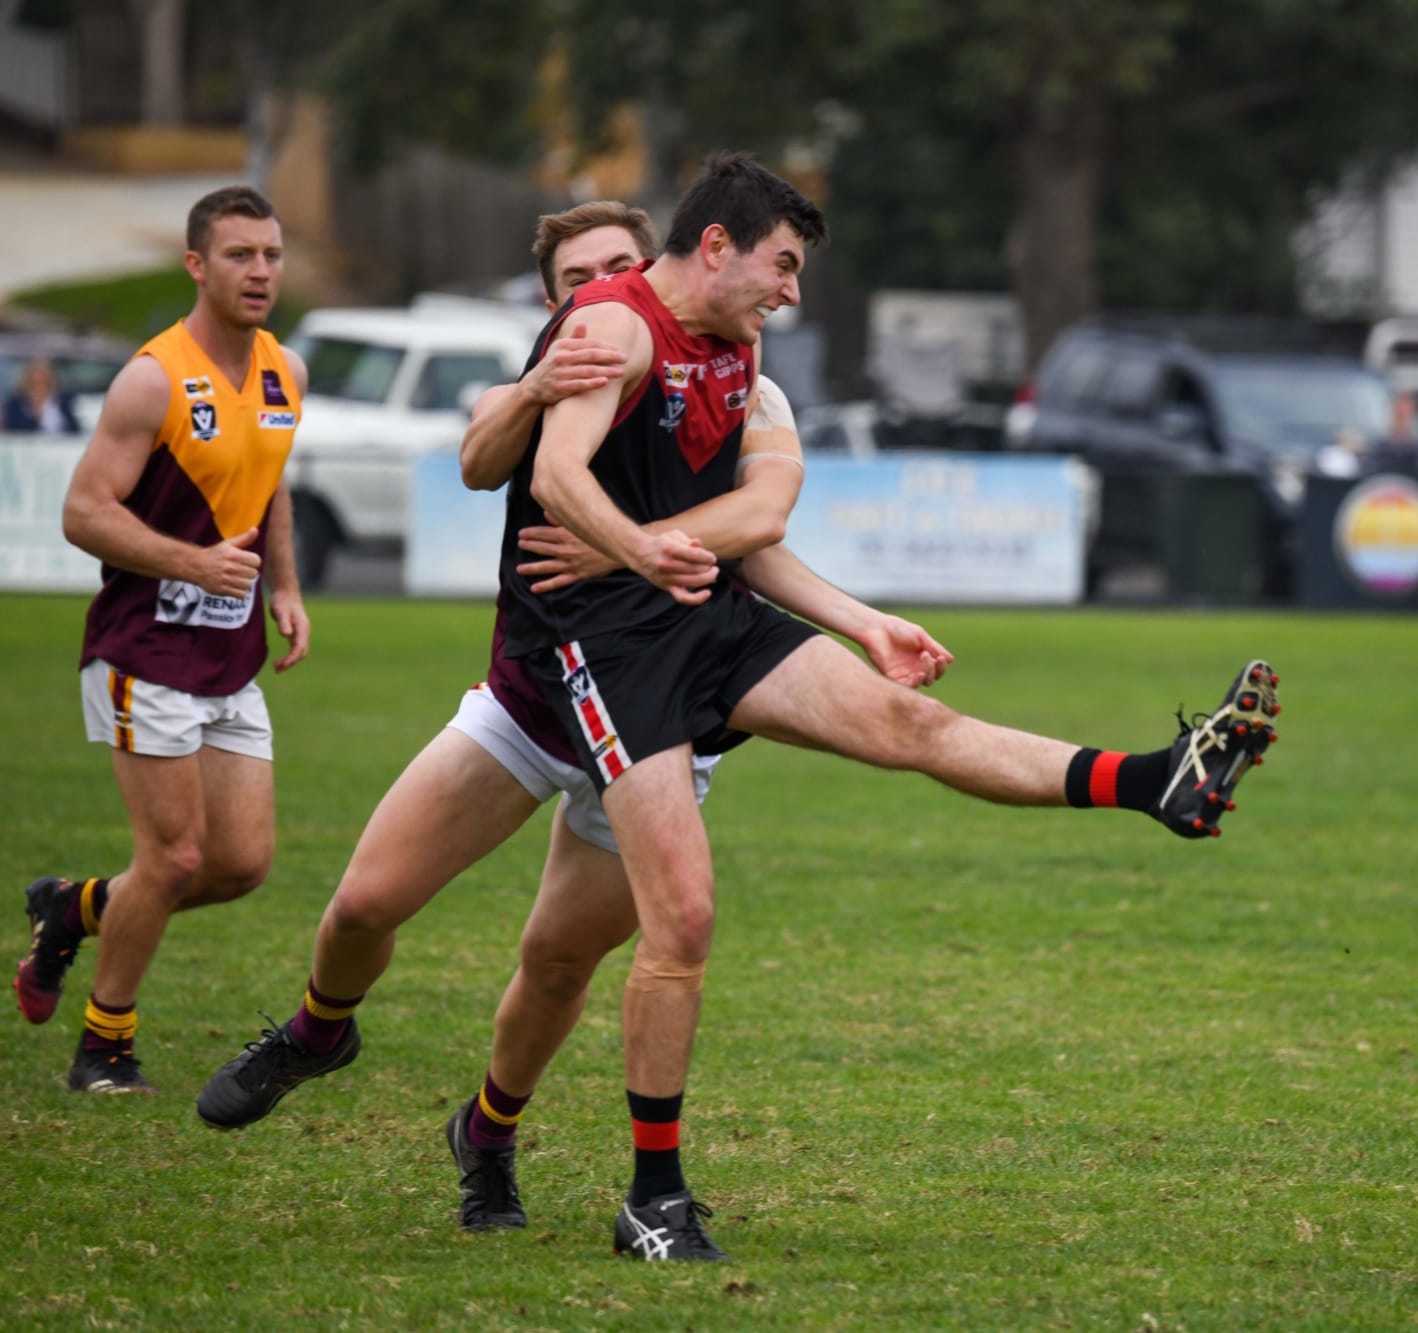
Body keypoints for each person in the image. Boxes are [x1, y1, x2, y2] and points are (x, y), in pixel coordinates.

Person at [504, 151, 1280, 1262]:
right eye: (781, 264)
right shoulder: (618, 326)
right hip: (608, 651)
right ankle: (647, 1197)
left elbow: (757, 520)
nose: (793, 291)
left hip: (707, 621)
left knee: (910, 723)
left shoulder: (739, 350)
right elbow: (551, 475)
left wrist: (859, 620)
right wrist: (635, 551)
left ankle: (1152, 780)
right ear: (715, 244)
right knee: (669, 920)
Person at [192, 202, 954, 1239]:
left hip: (655, 718)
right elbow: (476, 459)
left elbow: (753, 529)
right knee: (365, 904)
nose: (604, 289)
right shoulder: (550, 383)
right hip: (530, 706)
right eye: (579, 279)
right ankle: (318, 1030)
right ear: (554, 305)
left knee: (559, 963)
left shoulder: (713, 369)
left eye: (620, 267)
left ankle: (490, 1137)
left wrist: (849, 616)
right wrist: (539, 389)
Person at [12, 186, 310, 1094]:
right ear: (196, 265)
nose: (259, 271)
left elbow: (270, 481)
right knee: (175, 857)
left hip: (227, 658)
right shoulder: (152, 377)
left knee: (238, 864)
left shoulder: (284, 371)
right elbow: (82, 512)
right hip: (142, 651)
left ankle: (74, 908)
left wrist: (285, 585)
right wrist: (190, 562)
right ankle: (105, 1044)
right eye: (238, 255)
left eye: (271, 254)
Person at [4, 357, 82, 434]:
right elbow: (13, 430)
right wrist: (35, 416)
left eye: (43, 382)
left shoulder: (64, 400)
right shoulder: (16, 403)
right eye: (35, 383)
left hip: (61, 443)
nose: (40, 388)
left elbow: (75, 428)